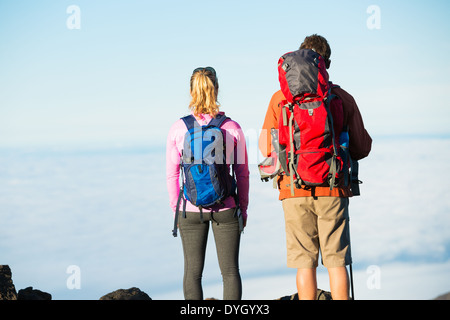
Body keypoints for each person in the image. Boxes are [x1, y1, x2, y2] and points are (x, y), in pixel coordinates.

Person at [259, 35, 372, 300]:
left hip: (293, 188)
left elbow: (267, 148)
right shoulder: (342, 98)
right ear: (326, 64)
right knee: (336, 261)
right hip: (333, 189)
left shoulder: (280, 100)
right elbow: (362, 148)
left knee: (304, 263)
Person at [166, 67, 249, 300]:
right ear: (217, 90)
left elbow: (172, 175)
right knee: (230, 272)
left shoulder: (178, 129)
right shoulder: (232, 128)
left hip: (190, 210)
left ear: (191, 91)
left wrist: (177, 210)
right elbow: (242, 173)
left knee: (192, 273)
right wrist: (242, 207)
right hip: (226, 207)